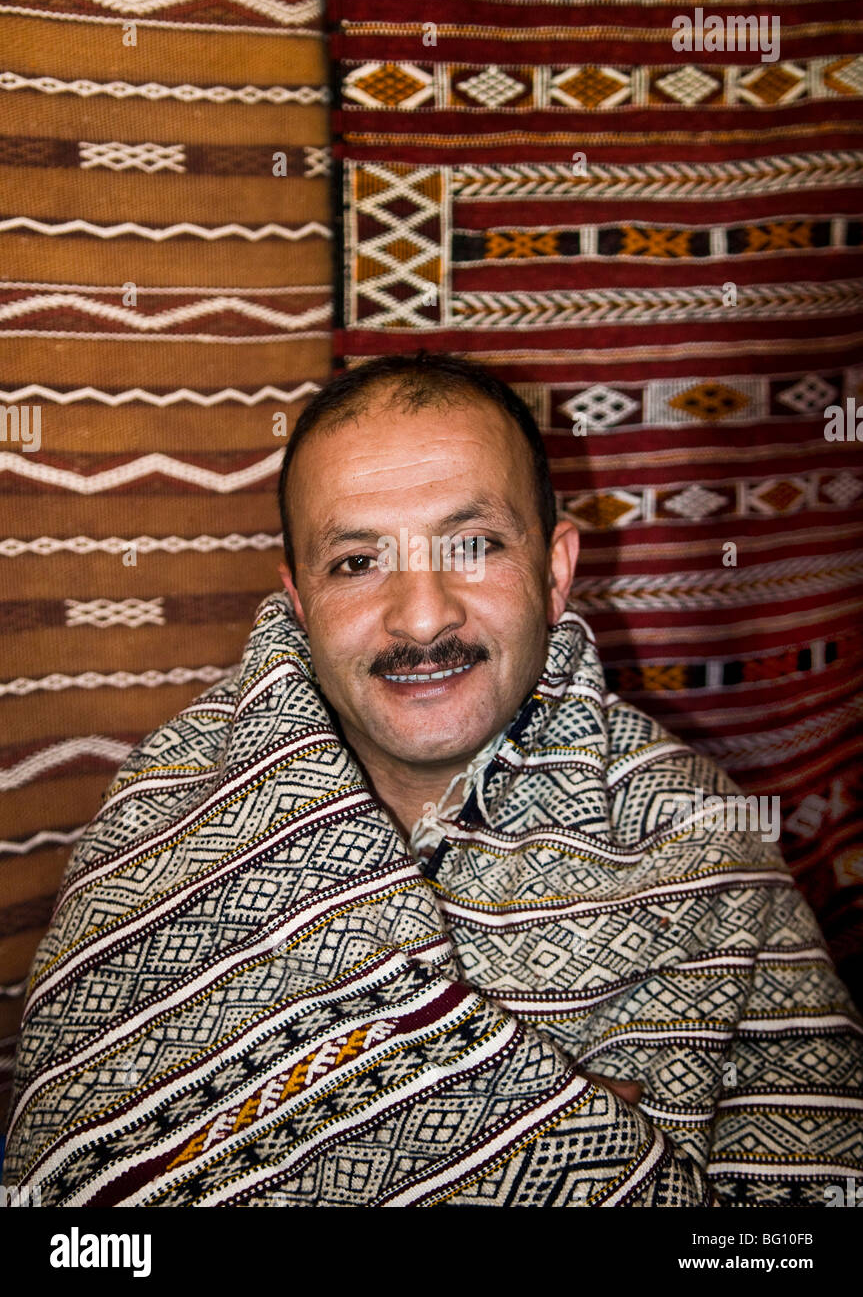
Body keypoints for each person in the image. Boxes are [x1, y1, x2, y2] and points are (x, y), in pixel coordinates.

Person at [3, 352, 862, 1208]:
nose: (421, 616)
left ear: (554, 572)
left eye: (473, 545)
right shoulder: (166, 807)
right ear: (298, 600)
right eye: (356, 562)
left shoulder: (698, 842)